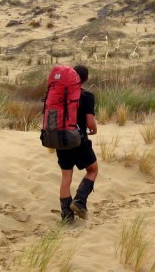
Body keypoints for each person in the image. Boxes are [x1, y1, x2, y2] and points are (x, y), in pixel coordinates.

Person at [57, 64, 98, 222]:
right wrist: (94, 130)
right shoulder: (87, 96)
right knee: (93, 169)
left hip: (60, 139)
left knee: (66, 176)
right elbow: (90, 122)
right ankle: (80, 201)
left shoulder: (60, 95)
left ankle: (67, 216)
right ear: (86, 78)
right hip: (78, 139)